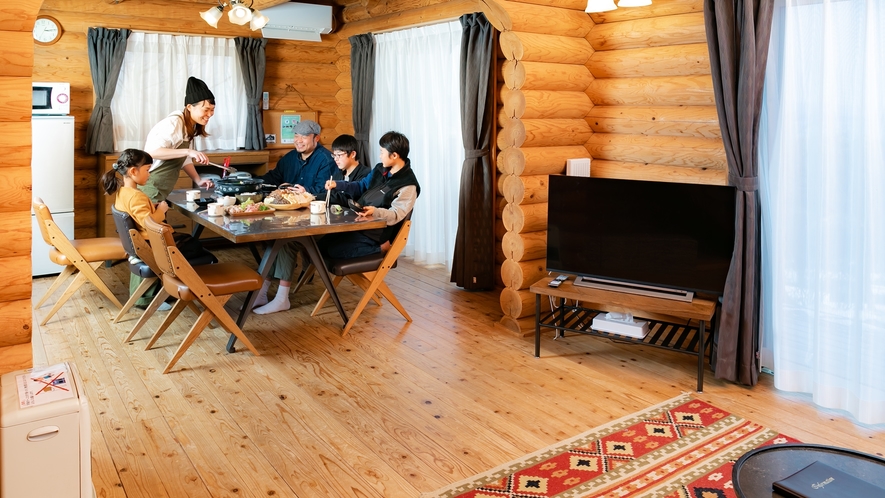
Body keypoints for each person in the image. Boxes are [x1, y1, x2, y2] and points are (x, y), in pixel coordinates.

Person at [100, 149, 216, 309]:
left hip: (145, 241)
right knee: (199, 249)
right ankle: (192, 291)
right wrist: (160, 211)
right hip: (152, 244)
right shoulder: (136, 196)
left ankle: (171, 289)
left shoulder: (124, 192)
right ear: (133, 171)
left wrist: (152, 208)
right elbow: (149, 223)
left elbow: (138, 215)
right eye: (147, 170)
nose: (149, 174)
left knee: (191, 243)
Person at [252, 120, 336, 315]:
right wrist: (251, 181)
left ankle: (281, 298)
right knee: (270, 235)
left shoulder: (327, 160)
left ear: (316, 138)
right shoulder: (290, 158)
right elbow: (273, 177)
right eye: (296, 136)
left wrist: (306, 191)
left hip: (317, 219)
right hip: (290, 216)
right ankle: (262, 293)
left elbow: (326, 192)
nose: (298, 141)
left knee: (286, 240)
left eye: (304, 137)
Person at [322, 131, 420, 259]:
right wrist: (338, 184)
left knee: (332, 251)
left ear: (394, 155)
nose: (380, 156)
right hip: (359, 224)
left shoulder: (408, 185)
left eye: (381, 152)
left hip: (376, 234)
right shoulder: (380, 169)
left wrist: (375, 211)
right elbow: (361, 186)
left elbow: (396, 215)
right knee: (321, 245)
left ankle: (380, 248)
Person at [141, 76, 217, 203]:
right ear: (189, 107)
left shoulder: (189, 127)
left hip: (161, 191)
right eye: (206, 110)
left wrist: (198, 180)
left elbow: (184, 159)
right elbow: (152, 152)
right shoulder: (174, 123)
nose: (210, 114)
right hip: (150, 189)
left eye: (212, 110)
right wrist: (188, 151)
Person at [328, 134, 371, 208]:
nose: (335, 159)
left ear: (353, 154)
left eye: (339, 155)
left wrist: (314, 197)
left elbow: (348, 199)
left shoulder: (366, 174)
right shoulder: (337, 175)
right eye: (334, 155)